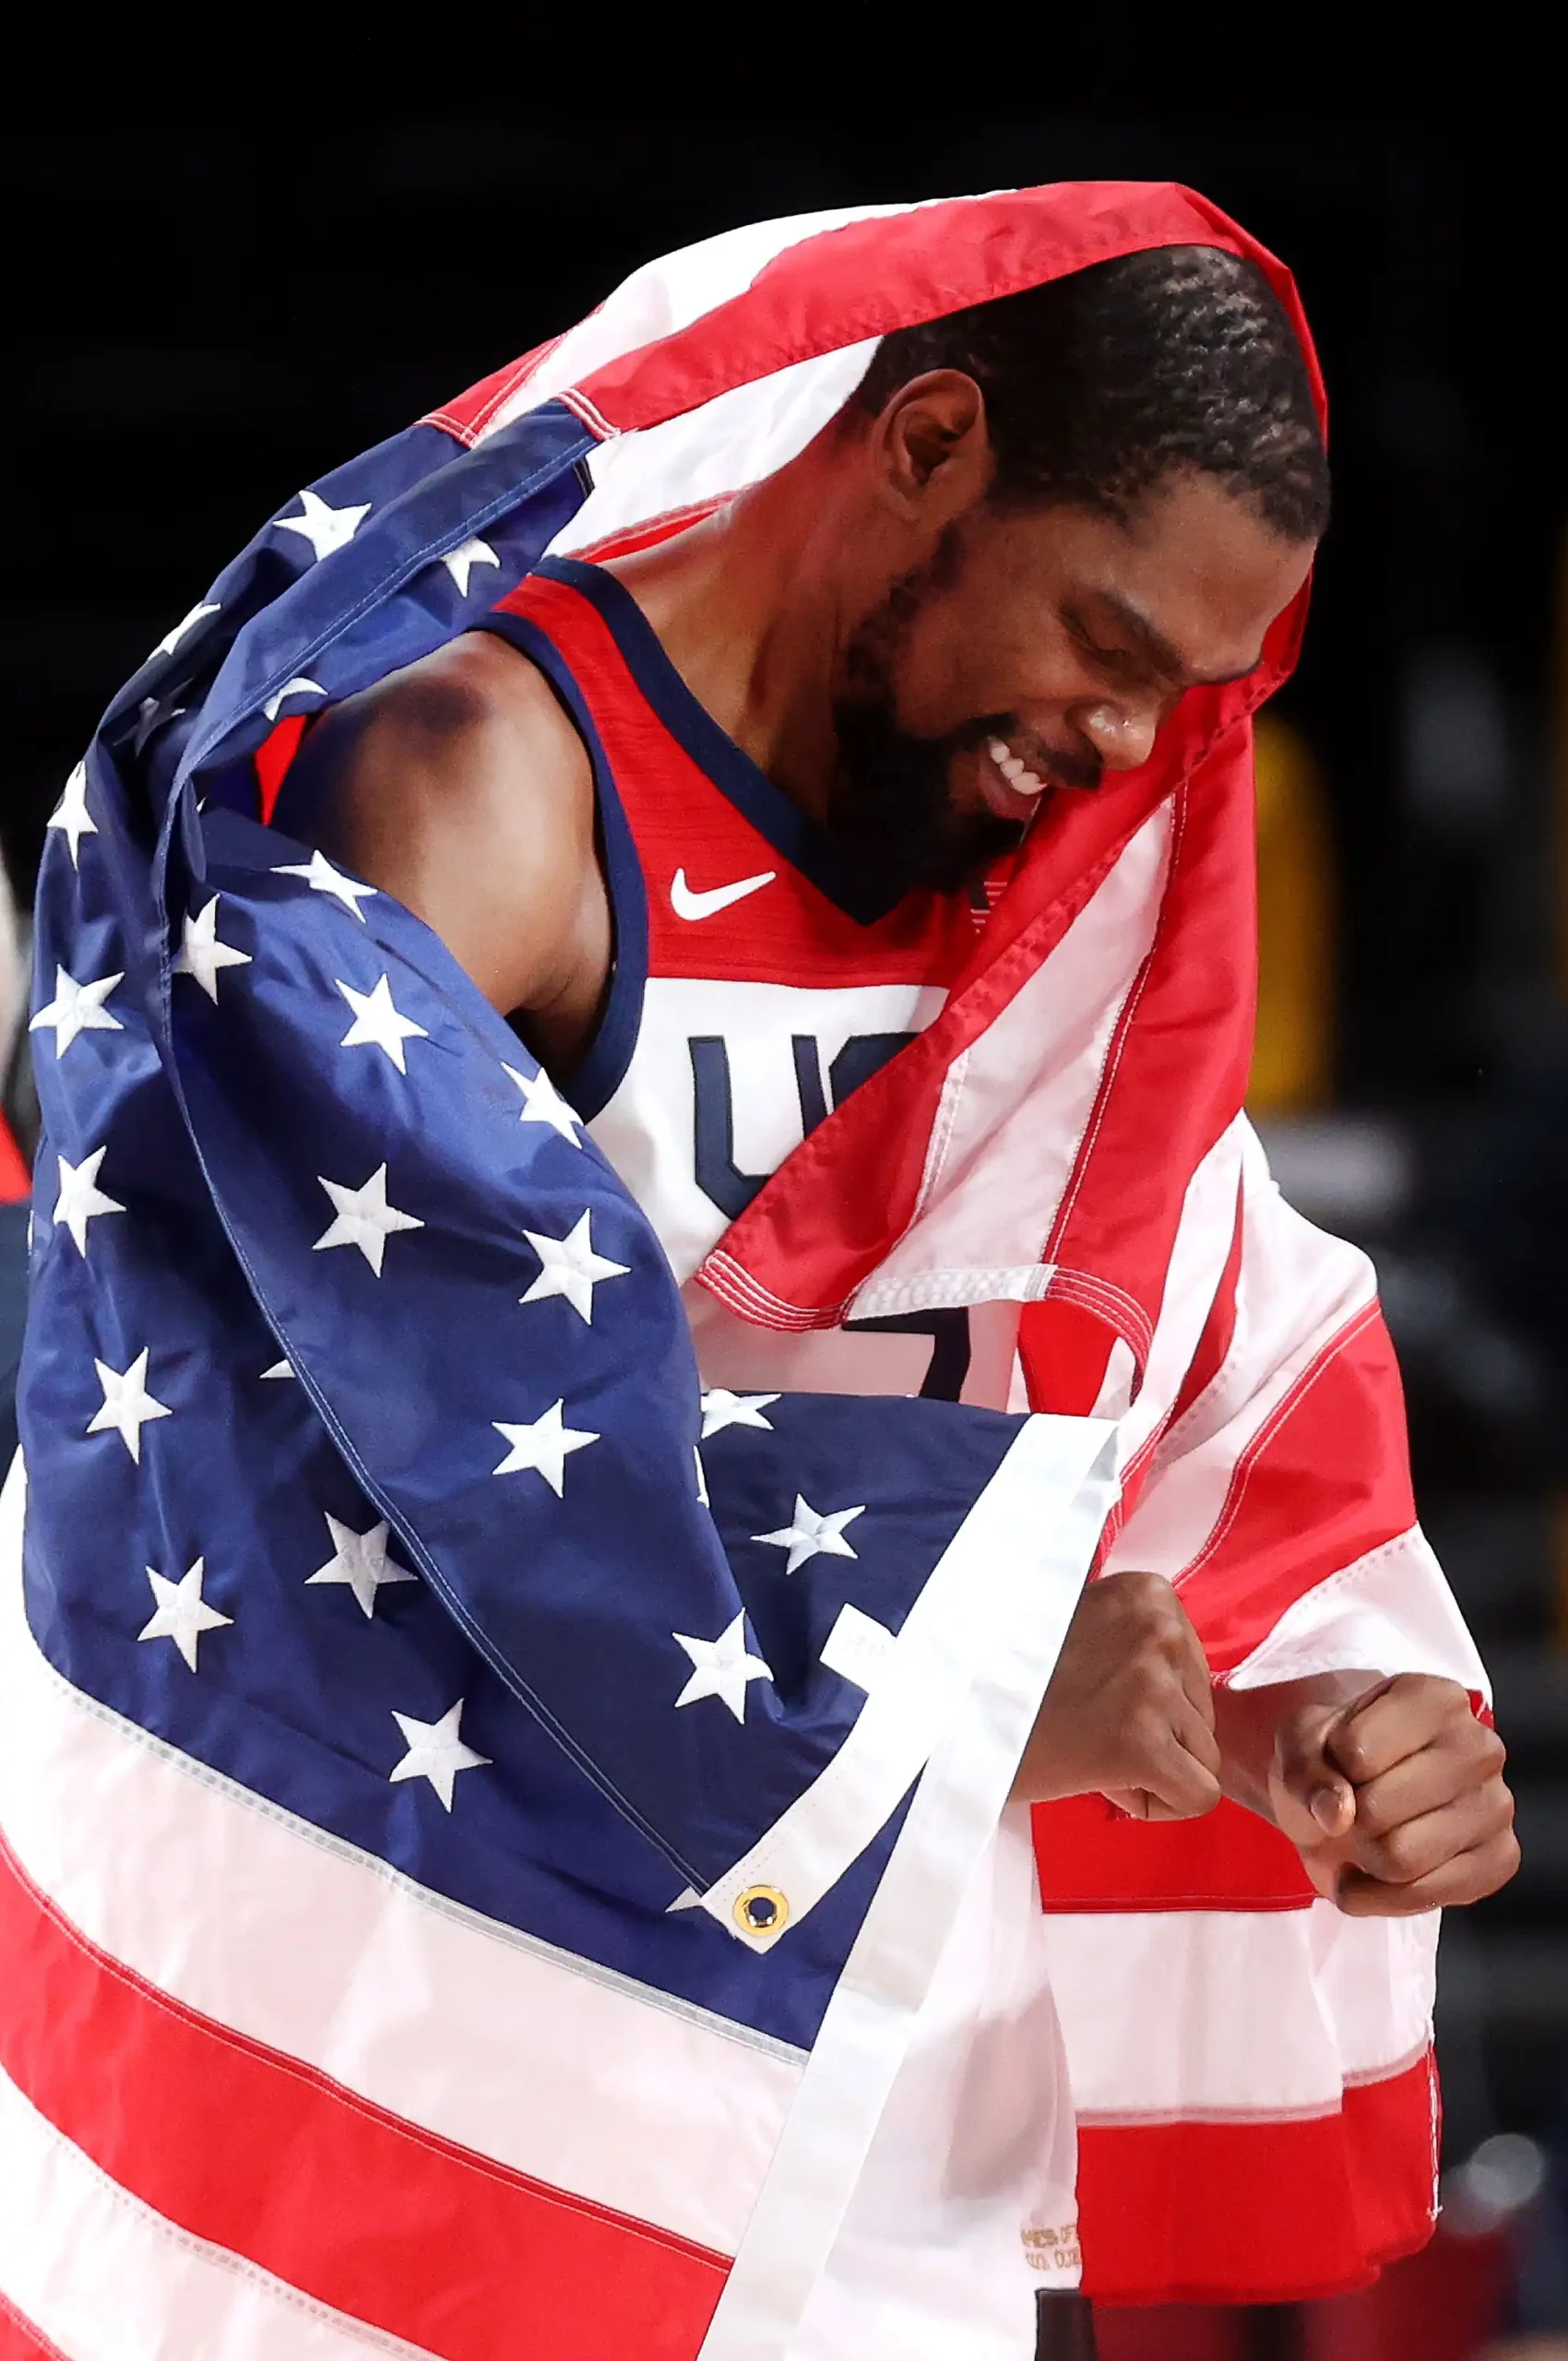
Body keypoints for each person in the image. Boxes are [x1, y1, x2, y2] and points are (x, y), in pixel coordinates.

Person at [0, 185, 1517, 2361]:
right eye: (1102, 643)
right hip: (458, 2084)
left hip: (865, 2148)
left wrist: (1306, 1723)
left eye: (1183, 693)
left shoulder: (1053, 919)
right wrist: (973, 1698)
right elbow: (364, 1464)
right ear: (923, 446)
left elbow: (1178, 1356)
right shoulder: (479, 782)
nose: (1120, 745)